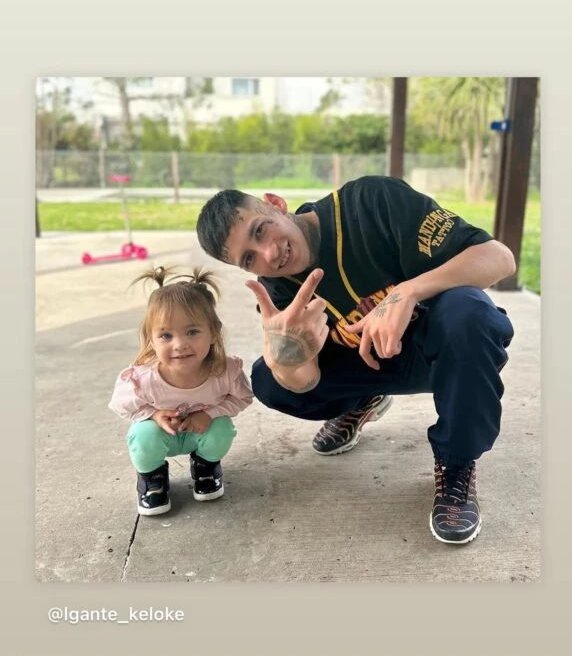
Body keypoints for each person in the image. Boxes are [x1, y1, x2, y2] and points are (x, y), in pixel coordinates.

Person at [196, 176, 516, 545]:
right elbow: (305, 383)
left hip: (444, 354)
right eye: (249, 258)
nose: (268, 254)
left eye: (260, 229)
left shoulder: (371, 202)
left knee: (469, 312)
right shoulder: (278, 290)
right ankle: (364, 402)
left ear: (275, 203)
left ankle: (456, 464)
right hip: (372, 366)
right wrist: (288, 357)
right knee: (270, 378)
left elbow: (499, 258)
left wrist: (407, 291)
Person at [109, 266, 253, 516]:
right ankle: (152, 478)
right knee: (143, 435)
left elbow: (243, 398)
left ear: (213, 332)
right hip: (161, 435)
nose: (179, 344)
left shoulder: (225, 371)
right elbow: (121, 404)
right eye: (166, 335)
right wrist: (154, 415)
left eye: (192, 332)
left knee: (222, 428)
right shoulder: (144, 378)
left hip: (200, 432)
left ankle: (205, 466)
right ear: (151, 339)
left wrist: (210, 414)